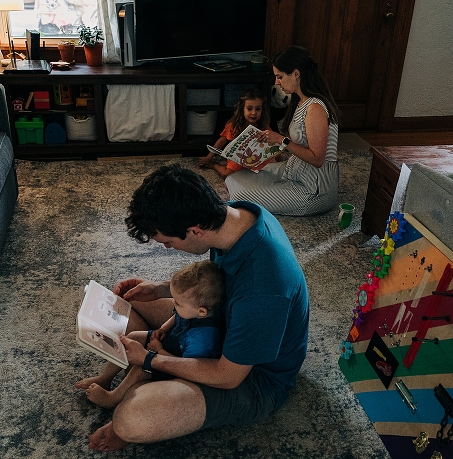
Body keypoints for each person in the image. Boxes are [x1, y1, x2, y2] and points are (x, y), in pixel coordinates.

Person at [85, 163, 309, 452]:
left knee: (130, 420)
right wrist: (160, 288)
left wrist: (151, 359)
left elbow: (228, 377)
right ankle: (151, 377)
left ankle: (149, 382)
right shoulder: (237, 216)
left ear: (195, 230)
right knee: (129, 301)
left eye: (168, 242)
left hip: (252, 377)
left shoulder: (262, 288)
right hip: (221, 319)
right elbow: (217, 283)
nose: (167, 248)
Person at [77, 259, 225, 409]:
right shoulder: (193, 311)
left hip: (174, 364)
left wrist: (157, 351)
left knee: (140, 369)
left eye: (178, 303)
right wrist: (163, 329)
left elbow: (185, 367)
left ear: (202, 311)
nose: (173, 303)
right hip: (168, 341)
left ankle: (112, 398)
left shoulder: (202, 341)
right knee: (132, 337)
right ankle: (105, 378)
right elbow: (177, 316)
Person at [224, 45, 341, 216]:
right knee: (233, 178)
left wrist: (281, 140)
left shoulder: (315, 108)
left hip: (313, 189)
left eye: (280, 76)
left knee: (240, 196)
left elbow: (317, 159)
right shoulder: (301, 101)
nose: (276, 82)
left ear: (296, 74)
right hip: (294, 171)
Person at [198, 88, 272, 180]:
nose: (254, 113)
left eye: (258, 109)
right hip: (239, 158)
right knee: (226, 175)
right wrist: (209, 157)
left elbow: (273, 144)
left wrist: (280, 163)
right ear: (242, 109)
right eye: (249, 109)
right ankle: (213, 165)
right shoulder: (234, 125)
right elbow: (222, 140)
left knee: (267, 173)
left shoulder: (263, 126)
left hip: (256, 157)